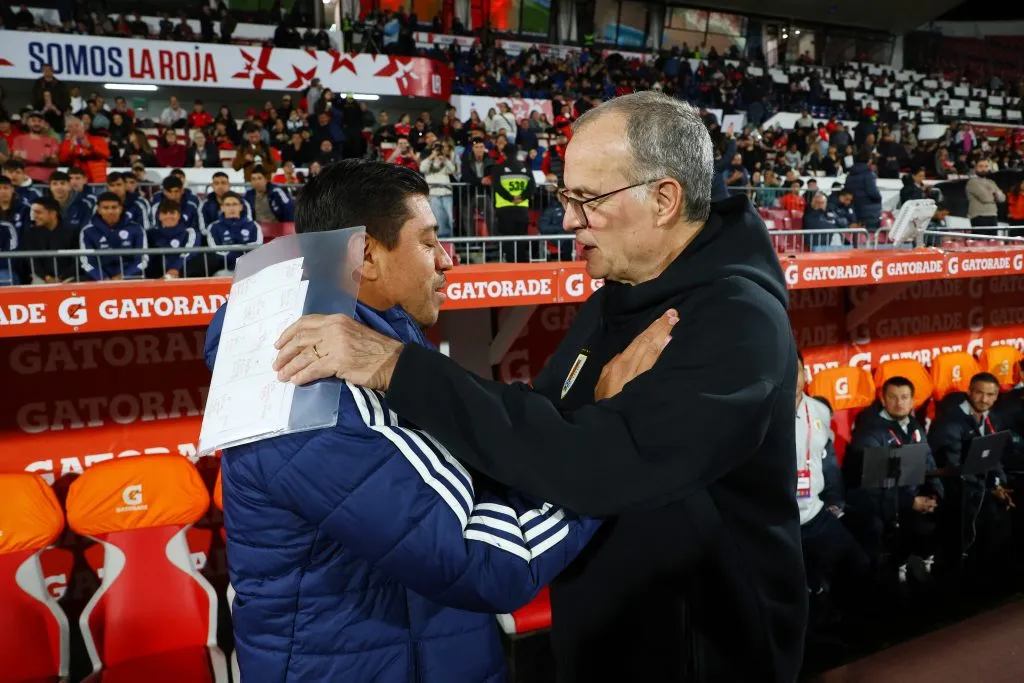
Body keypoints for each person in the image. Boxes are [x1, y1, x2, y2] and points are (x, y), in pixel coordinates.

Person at [272, 92, 806, 682]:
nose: (570, 219)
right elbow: (542, 429)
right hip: (606, 637)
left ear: (663, 199)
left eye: (588, 199)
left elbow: (604, 465)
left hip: (699, 656)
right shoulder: (614, 296)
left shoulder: (737, 320)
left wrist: (403, 369)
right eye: (566, 197)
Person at [204, 160, 601, 683]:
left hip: (426, 653)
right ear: (366, 254)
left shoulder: (382, 337)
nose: (447, 260)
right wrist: (604, 452)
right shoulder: (300, 385)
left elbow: (461, 471)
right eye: (429, 240)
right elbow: (486, 560)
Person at [842, 377, 943, 581]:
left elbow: (928, 461)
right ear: (883, 398)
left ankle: (926, 560)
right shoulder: (870, 432)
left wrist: (934, 493)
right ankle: (895, 569)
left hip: (912, 494)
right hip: (881, 499)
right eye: (893, 397)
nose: (899, 403)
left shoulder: (914, 425)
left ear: (912, 400)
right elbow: (875, 483)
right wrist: (910, 502)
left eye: (904, 397)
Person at [79, 192, 148, 280]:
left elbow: (142, 259)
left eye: (114, 207)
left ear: (121, 208)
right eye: (105, 208)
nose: (110, 211)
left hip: (131, 279)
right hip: (99, 281)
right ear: (99, 210)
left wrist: (123, 276)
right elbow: (87, 262)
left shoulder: (136, 228)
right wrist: (103, 278)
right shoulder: (87, 231)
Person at [204, 192, 262, 274]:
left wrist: (230, 249)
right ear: (222, 208)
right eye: (228, 205)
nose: (231, 208)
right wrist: (242, 250)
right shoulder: (213, 227)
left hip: (250, 269)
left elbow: (256, 248)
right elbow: (216, 251)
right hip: (225, 269)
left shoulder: (253, 225)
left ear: (241, 207)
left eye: (235, 204)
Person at [146, 199, 200, 279]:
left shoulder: (190, 232)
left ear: (179, 215)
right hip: (156, 279)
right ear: (159, 216)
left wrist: (175, 268)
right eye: (164, 213)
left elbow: (190, 252)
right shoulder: (150, 234)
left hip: (184, 276)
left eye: (172, 213)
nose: (168, 216)